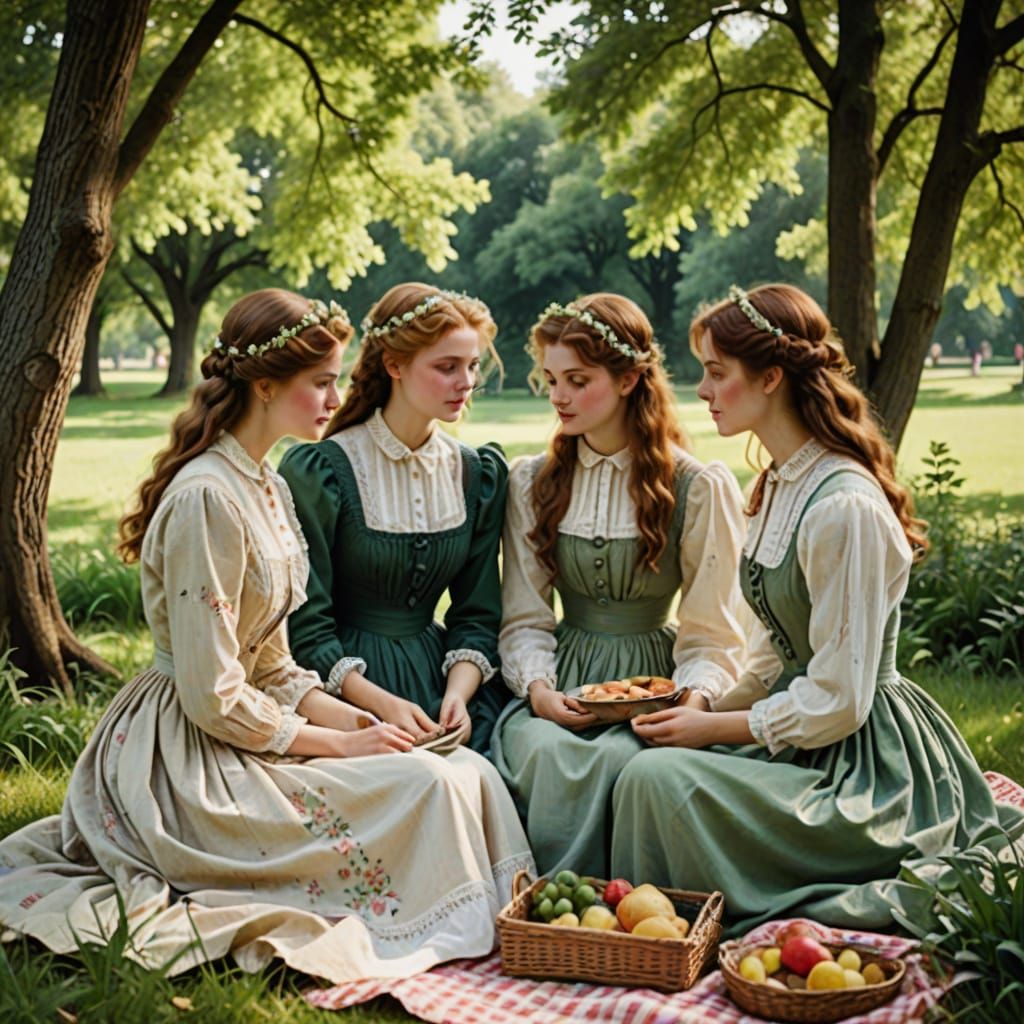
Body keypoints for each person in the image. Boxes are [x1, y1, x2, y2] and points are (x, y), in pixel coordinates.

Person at [0, 289, 533, 982]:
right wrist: (344, 742)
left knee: (463, 770)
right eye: (319, 382)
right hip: (188, 755)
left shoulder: (266, 486)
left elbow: (277, 665)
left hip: (251, 722)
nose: (336, 397)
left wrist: (367, 719)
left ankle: (497, 925)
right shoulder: (205, 499)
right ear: (263, 385)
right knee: (424, 787)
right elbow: (214, 695)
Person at [611, 283, 1024, 933]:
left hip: (870, 764)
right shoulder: (778, 484)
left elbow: (840, 698)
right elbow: (775, 652)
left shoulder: (842, 506)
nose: (702, 390)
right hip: (806, 735)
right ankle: (659, 928)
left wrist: (714, 732)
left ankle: (689, 921)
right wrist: (704, 706)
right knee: (646, 768)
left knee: (662, 781)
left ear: (770, 377)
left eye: (718, 373)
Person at [492, 293, 748, 877]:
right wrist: (538, 692)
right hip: (564, 676)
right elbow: (526, 617)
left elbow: (713, 633)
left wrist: (693, 701)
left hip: (658, 681)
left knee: (627, 762)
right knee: (548, 752)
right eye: (551, 379)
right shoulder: (532, 481)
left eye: (578, 380)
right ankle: (547, 909)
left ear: (630, 378)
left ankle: (635, 906)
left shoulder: (697, 486)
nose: (558, 396)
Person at [278, 283, 512, 757]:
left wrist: (458, 697)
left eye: (471, 366)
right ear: (395, 365)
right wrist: (379, 704)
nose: (465, 382)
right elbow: (307, 625)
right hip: (343, 692)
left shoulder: (477, 474)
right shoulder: (323, 471)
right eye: (446, 368)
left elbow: (476, 617)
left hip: (442, 684)